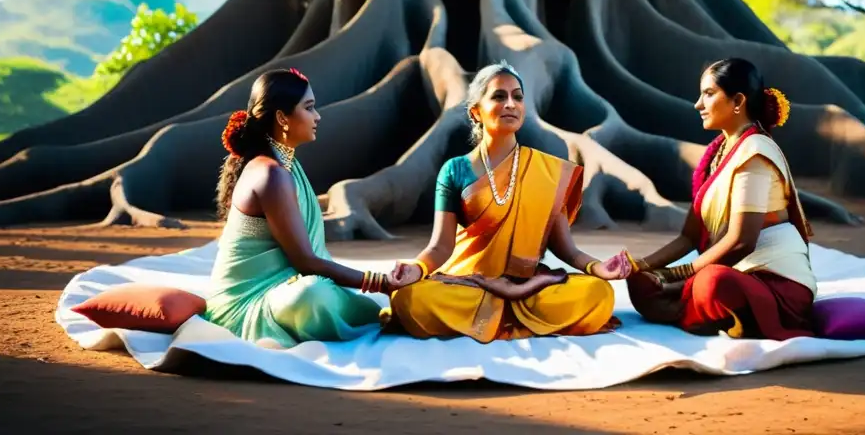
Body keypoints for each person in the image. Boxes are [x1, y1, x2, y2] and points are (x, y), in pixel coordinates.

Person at [383, 61, 633, 343]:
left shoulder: (545, 170)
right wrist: (416, 268)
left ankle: (498, 315)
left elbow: (567, 250)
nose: (511, 104)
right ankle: (510, 317)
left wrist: (597, 268)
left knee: (597, 293)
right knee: (410, 298)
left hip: (528, 287)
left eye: (517, 97)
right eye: (499, 97)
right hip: (470, 285)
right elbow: (440, 247)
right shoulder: (456, 170)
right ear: (475, 112)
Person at [626, 58, 816, 341]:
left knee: (713, 283)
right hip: (734, 274)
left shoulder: (755, 152)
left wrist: (676, 276)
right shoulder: (718, 154)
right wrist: (640, 266)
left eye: (708, 93)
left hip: (776, 283)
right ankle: (706, 310)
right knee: (641, 283)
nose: (697, 104)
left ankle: (711, 309)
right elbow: (688, 238)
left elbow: (741, 242)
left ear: (737, 100)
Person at [205, 68, 385, 348]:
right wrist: (380, 282)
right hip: (246, 307)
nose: (318, 116)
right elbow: (306, 262)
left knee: (369, 310)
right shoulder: (271, 174)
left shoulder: (288, 166)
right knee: (314, 296)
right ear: (281, 118)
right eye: (309, 108)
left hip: (287, 290)